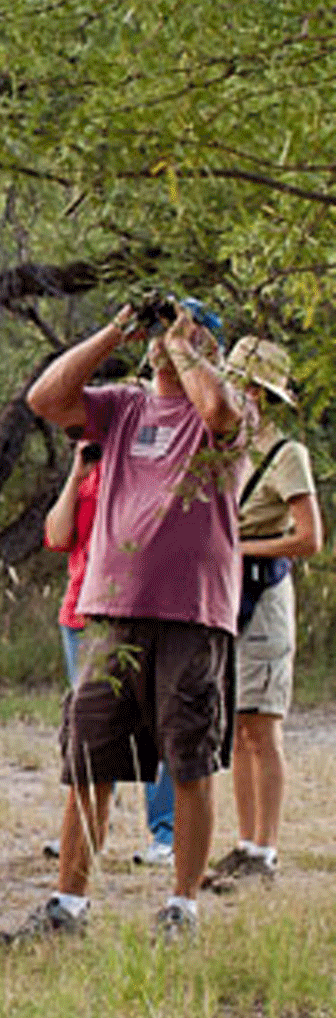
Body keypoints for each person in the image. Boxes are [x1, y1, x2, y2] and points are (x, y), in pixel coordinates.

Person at [5, 298, 247, 947]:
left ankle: (181, 908)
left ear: (210, 347)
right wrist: (118, 328)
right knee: (90, 756)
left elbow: (219, 412)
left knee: (189, 757)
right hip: (111, 611)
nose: (166, 342)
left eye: (187, 330)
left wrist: (184, 344)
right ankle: (67, 905)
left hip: (192, 612)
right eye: (163, 331)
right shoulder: (124, 406)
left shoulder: (231, 407)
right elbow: (46, 398)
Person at [202, 337, 322, 894]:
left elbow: (308, 538)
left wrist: (240, 550)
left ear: (256, 393)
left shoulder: (286, 453)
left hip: (265, 597)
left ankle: (266, 849)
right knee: (241, 727)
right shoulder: (222, 448)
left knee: (264, 726)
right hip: (225, 595)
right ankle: (246, 843)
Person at [42, 435, 177, 867]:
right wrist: (76, 474)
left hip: (136, 611)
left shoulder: (149, 474)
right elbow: (58, 535)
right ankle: (87, 832)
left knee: (154, 724)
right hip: (82, 611)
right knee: (92, 726)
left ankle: (165, 832)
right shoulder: (88, 475)